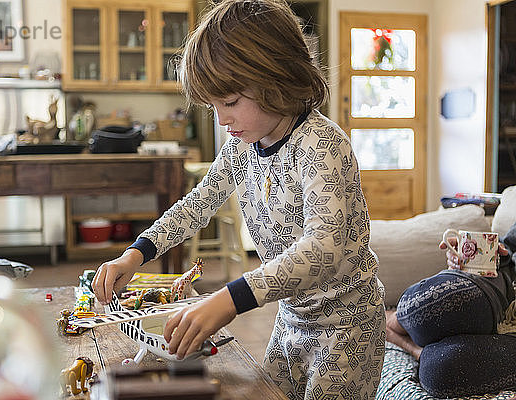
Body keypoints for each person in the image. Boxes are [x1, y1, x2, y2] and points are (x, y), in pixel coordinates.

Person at [92, 1, 385, 398]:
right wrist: (136, 254)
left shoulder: (323, 144)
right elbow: (198, 204)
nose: (221, 120)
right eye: (213, 106)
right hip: (291, 320)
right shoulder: (240, 146)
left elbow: (324, 247)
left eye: (229, 103)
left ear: (278, 79)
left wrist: (230, 298)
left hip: (348, 326)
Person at [386, 222, 516, 398]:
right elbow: (509, 245)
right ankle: (394, 321)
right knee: (429, 304)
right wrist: (485, 252)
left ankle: (415, 348)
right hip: (503, 284)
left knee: (441, 369)